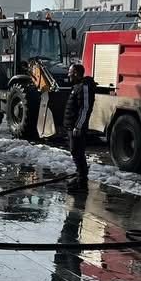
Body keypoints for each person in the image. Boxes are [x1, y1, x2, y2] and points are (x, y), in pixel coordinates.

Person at [63, 62, 95, 192]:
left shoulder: (84, 87)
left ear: (76, 73)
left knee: (78, 153)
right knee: (75, 152)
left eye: (70, 72)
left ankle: (82, 182)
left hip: (77, 128)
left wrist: (78, 126)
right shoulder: (77, 86)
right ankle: (79, 178)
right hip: (72, 126)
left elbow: (85, 109)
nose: (68, 75)